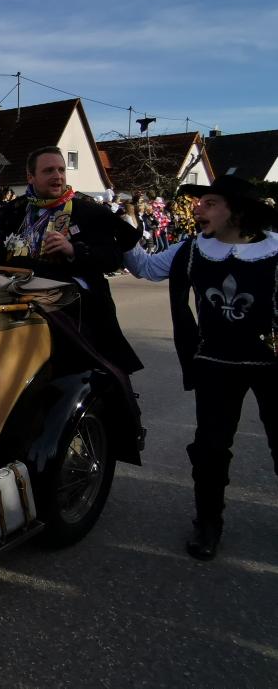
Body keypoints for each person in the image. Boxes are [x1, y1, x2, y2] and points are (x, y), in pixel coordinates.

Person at [123, 174, 277, 560]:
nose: (197, 208)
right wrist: (119, 228)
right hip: (215, 362)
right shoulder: (191, 249)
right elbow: (146, 267)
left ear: (236, 211)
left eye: (209, 202)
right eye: (198, 202)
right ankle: (208, 521)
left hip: (271, 363)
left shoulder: (276, 249)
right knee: (210, 447)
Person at [0, 146, 143, 375]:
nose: (58, 176)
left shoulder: (88, 211)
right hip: (24, 312)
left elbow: (112, 259)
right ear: (30, 177)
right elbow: (0, 257)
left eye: (61, 169)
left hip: (79, 317)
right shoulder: (15, 211)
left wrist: (73, 250)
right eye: (49, 170)